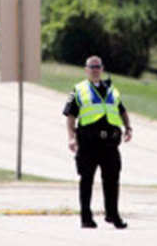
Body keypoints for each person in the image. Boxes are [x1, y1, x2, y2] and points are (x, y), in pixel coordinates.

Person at [63, 56, 133, 229]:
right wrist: (71, 137)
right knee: (86, 179)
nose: (95, 69)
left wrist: (128, 128)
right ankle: (86, 217)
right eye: (91, 67)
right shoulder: (78, 90)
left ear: (102, 69)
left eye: (98, 66)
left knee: (112, 180)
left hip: (110, 143)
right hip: (88, 143)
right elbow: (70, 114)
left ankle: (113, 215)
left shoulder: (112, 90)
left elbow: (122, 110)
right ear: (86, 70)